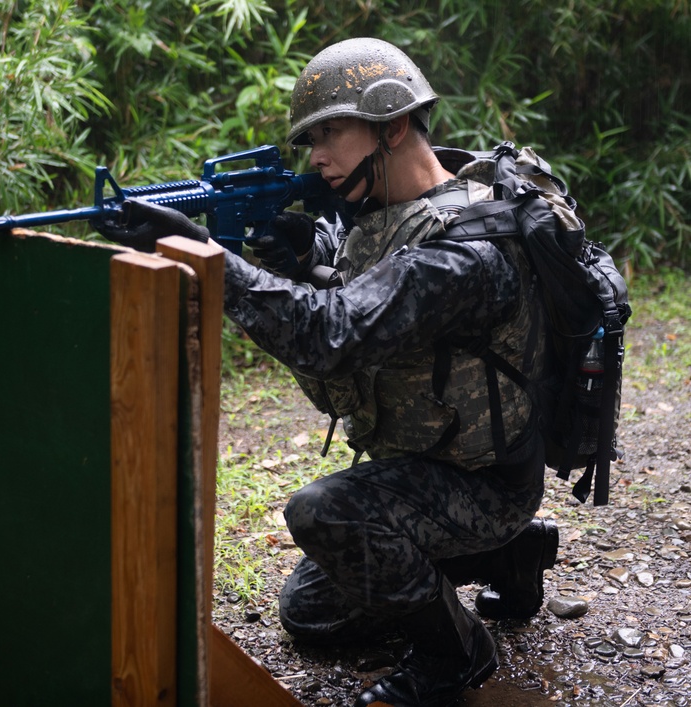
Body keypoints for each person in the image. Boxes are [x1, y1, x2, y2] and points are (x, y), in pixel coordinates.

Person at [97, 36, 560, 707]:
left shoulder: (465, 251)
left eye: (330, 133)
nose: (315, 156)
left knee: (323, 513)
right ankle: (509, 556)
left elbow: (331, 332)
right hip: (429, 465)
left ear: (392, 124)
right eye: (310, 138)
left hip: (483, 482)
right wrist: (305, 252)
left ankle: (453, 655)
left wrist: (211, 259)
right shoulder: (396, 207)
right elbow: (363, 269)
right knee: (308, 612)